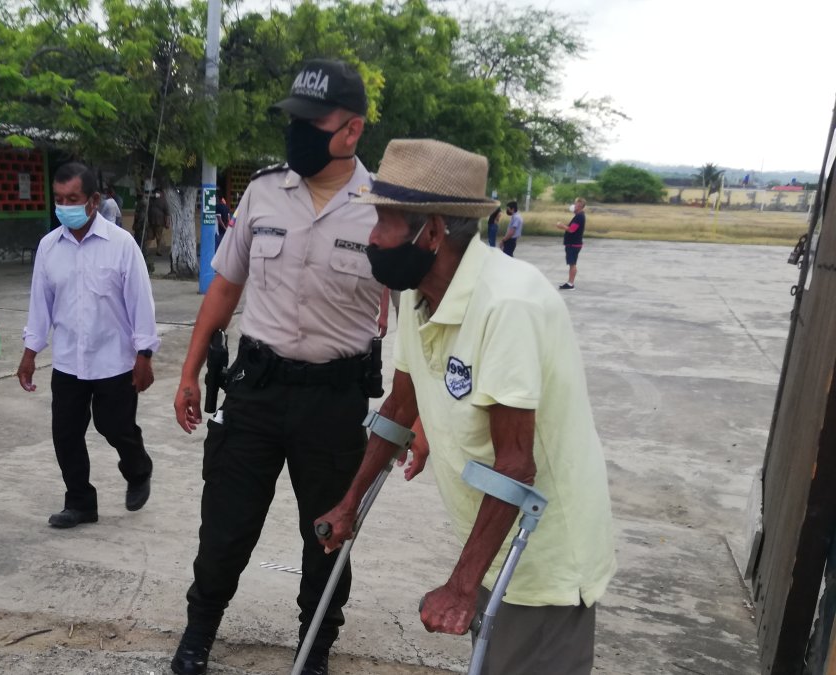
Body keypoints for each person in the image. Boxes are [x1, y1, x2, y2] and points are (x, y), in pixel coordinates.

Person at [316, 139, 616, 675]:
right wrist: (350, 503)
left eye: (385, 221)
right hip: (493, 547)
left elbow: (516, 463)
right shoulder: (418, 294)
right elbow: (400, 406)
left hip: (541, 560)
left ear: (430, 231)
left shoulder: (507, 304)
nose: (373, 237)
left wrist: (461, 585)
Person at [169, 58, 383, 675]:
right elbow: (224, 288)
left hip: (335, 403)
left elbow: (416, 314)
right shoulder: (264, 192)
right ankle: (197, 635)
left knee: (327, 537)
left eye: (314, 123)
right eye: (296, 121)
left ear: (352, 131)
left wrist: (416, 411)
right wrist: (188, 370)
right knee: (225, 530)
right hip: (256, 393)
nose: (299, 134)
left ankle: (314, 647)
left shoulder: (383, 210)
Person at [16, 162, 159, 529]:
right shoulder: (49, 247)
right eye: (59, 199)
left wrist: (144, 354)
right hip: (67, 361)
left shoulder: (121, 245)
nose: (64, 206)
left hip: (114, 359)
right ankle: (80, 503)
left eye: (73, 199)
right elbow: (40, 304)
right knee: (65, 434)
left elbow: (140, 301)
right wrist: (30, 353)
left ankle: (138, 469)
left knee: (115, 427)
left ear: (93, 201)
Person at [554, 198, 586, 289]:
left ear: (579, 206)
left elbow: (572, 229)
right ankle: (570, 282)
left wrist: (561, 226)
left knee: (572, 264)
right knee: (572, 263)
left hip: (573, 244)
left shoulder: (579, 217)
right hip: (573, 244)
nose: (573, 206)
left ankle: (570, 283)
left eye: (575, 204)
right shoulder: (578, 216)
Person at [147, 189, 170, 255]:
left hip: (158, 222)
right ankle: (146, 250)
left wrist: (167, 222)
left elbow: (167, 213)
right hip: (152, 221)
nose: (157, 194)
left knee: (158, 236)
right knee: (150, 236)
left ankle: (158, 250)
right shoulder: (152, 200)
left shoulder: (163, 201)